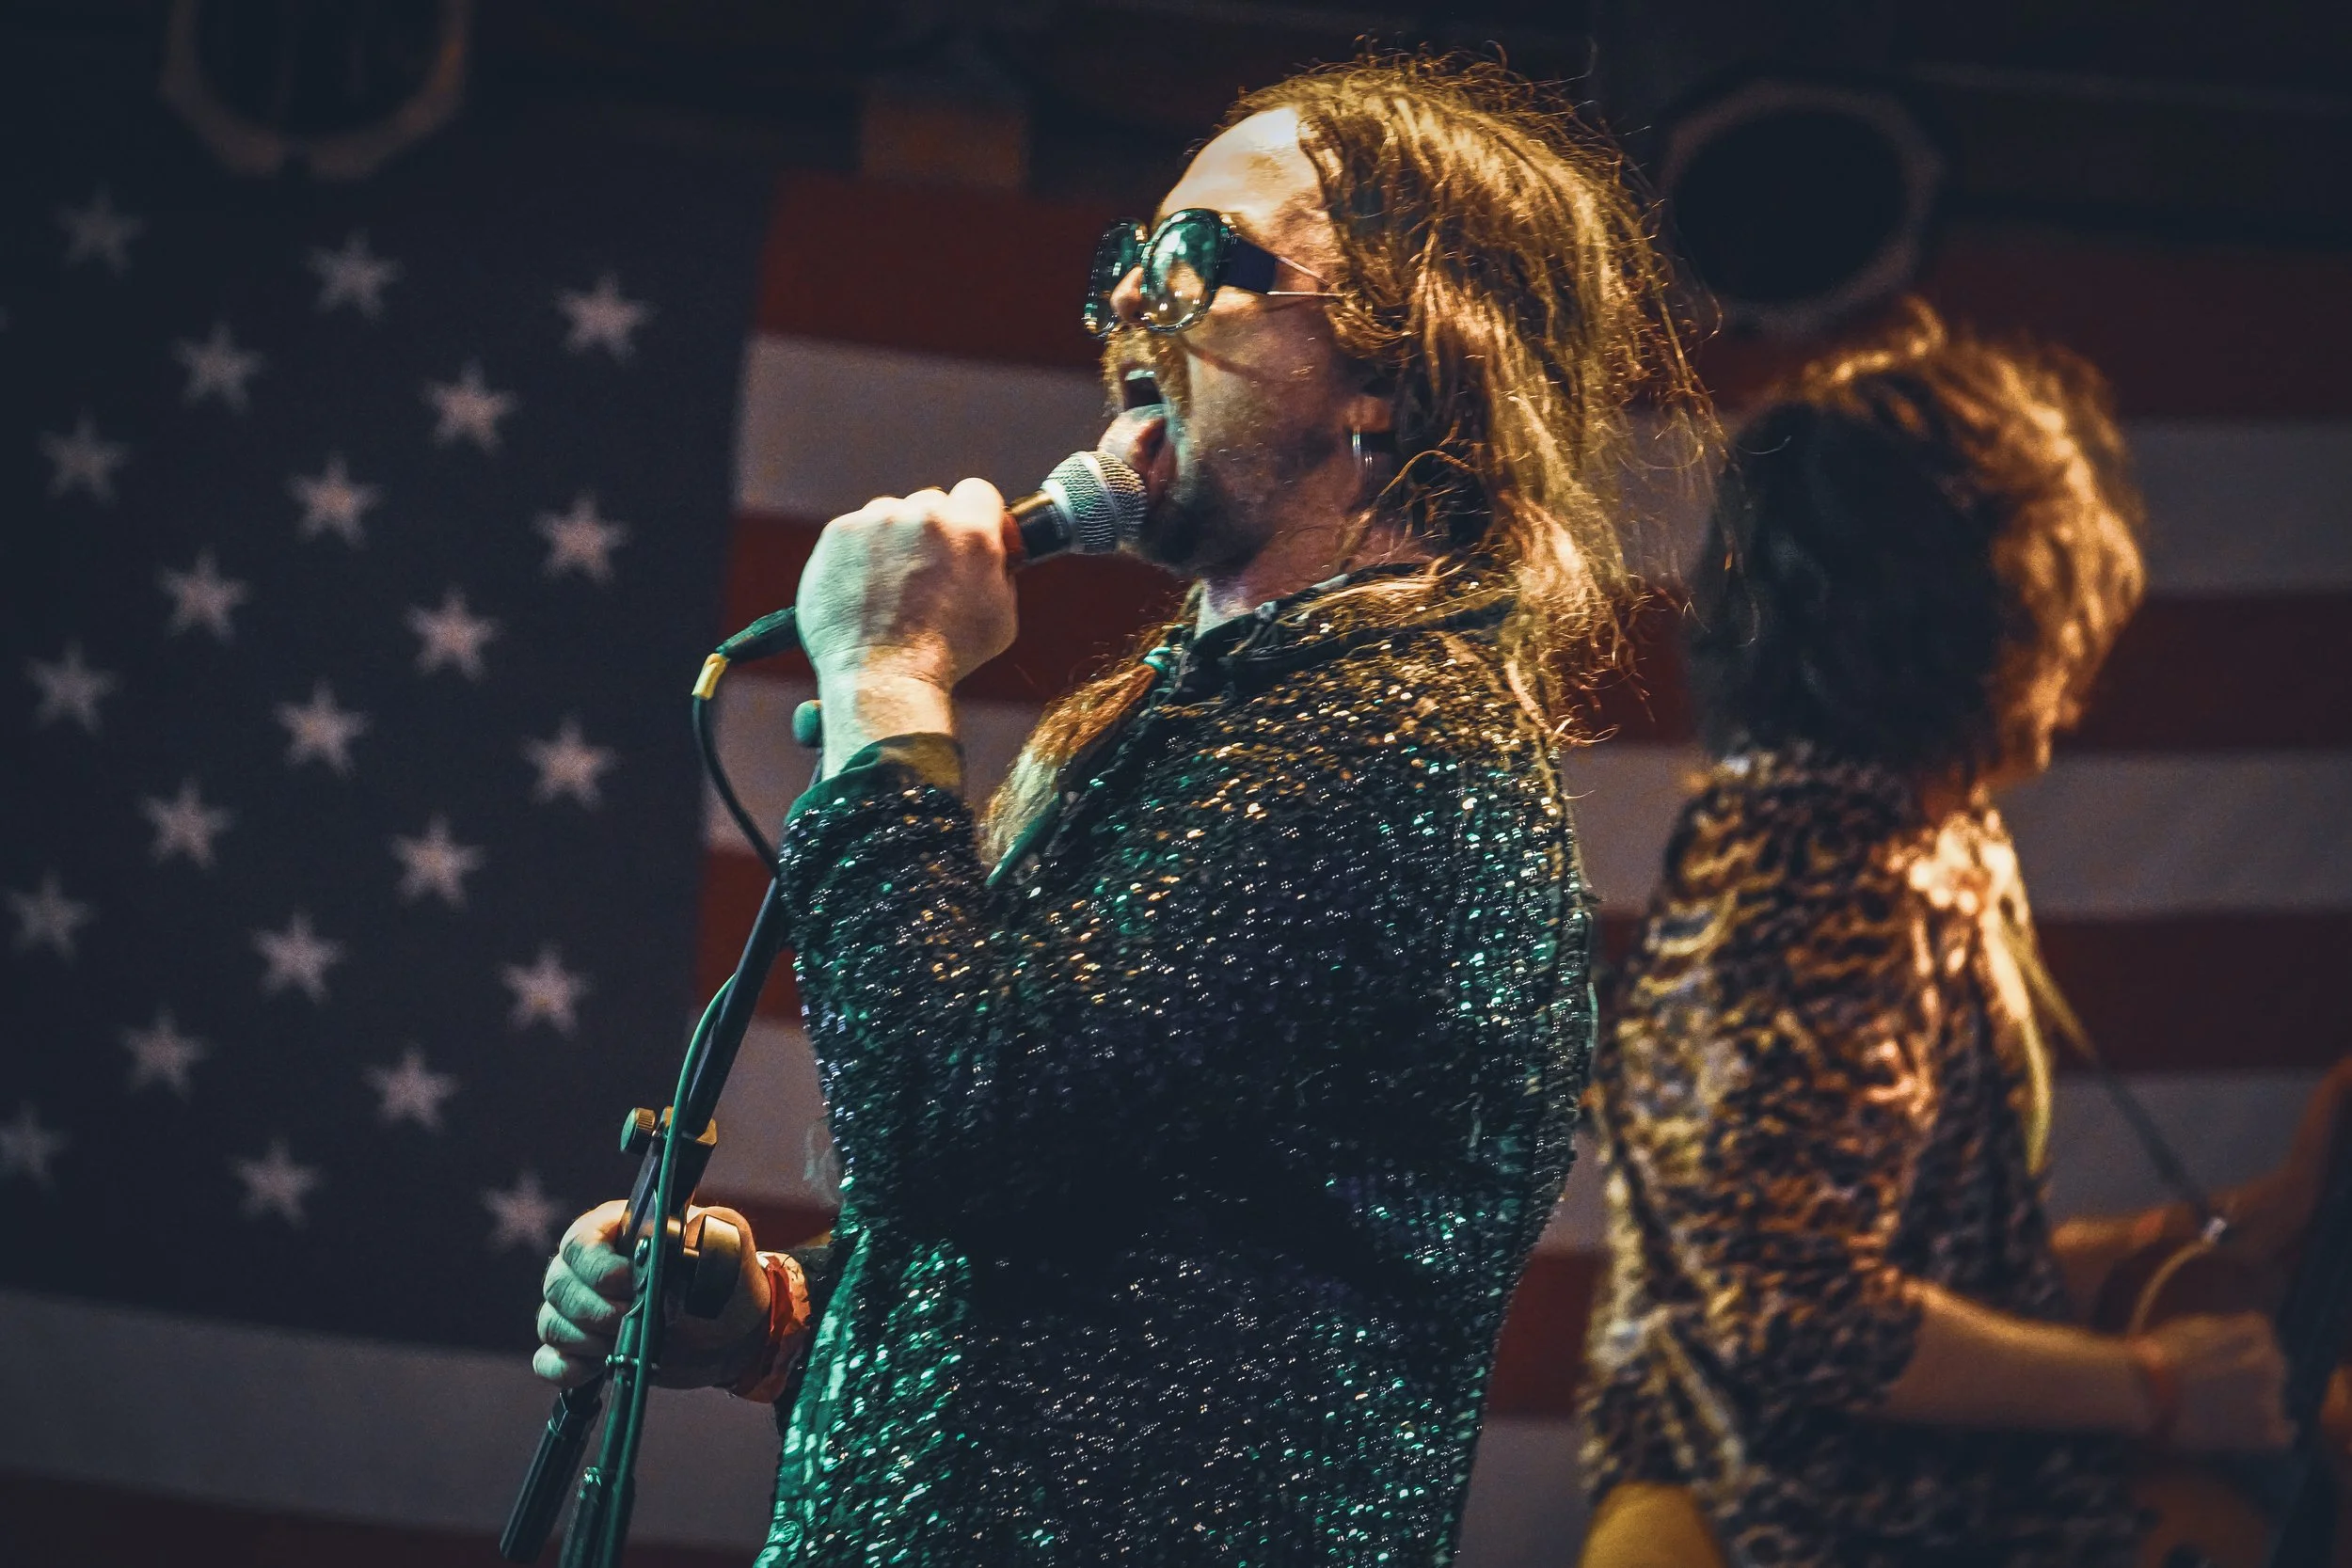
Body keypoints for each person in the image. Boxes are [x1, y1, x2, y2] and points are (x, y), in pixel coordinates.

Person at [535, 56, 1705, 1565]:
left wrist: (888, 675)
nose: (1128, 313)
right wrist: (781, 1317)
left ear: (1400, 367)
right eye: (1125, 268)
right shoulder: (1231, 716)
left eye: (1197, 261)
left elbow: (950, 1117)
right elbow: (1084, 1236)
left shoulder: (1394, 737)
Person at [1576, 302, 2312, 1568]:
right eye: (2053, 603)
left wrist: (2203, 1240)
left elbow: (1931, 1256)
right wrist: (2155, 1386)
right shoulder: (1820, 883)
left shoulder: (1926, 829)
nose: (2079, 656)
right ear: (1981, 615)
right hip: (1790, 1520)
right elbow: (1804, 1315)